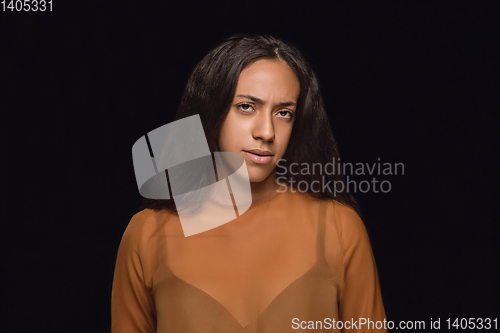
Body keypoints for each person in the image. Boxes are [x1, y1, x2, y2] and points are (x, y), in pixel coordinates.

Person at [111, 34, 387, 332]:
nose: (267, 131)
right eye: (246, 107)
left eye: (284, 113)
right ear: (211, 111)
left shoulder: (339, 227)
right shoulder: (147, 234)